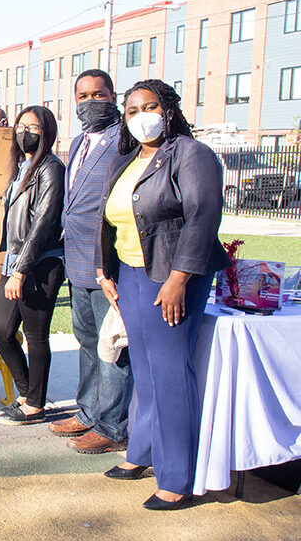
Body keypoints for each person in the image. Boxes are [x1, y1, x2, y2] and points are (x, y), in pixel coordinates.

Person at [96, 80, 229, 510]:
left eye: (148, 106)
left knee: (171, 372)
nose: (140, 117)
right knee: (146, 371)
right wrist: (105, 270)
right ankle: (142, 452)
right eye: (131, 110)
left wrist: (179, 279)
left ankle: (176, 477)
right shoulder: (127, 158)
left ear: (168, 109)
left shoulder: (192, 155)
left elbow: (202, 219)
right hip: (130, 274)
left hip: (171, 276)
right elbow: (111, 218)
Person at [49, 69, 133, 454]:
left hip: (106, 259)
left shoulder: (125, 139)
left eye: (97, 94)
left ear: (112, 96)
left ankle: (113, 425)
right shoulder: (80, 140)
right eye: (82, 96)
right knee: (85, 338)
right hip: (76, 256)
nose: (89, 102)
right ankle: (88, 410)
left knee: (110, 342)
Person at [0, 105, 66, 426]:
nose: (25, 133)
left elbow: (45, 223)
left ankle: (35, 405)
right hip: (15, 259)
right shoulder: (22, 168)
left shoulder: (51, 168)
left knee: (35, 336)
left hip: (38, 264)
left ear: (46, 131)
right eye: (21, 126)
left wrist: (21, 270)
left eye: (33, 128)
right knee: (0, 330)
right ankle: (27, 393)